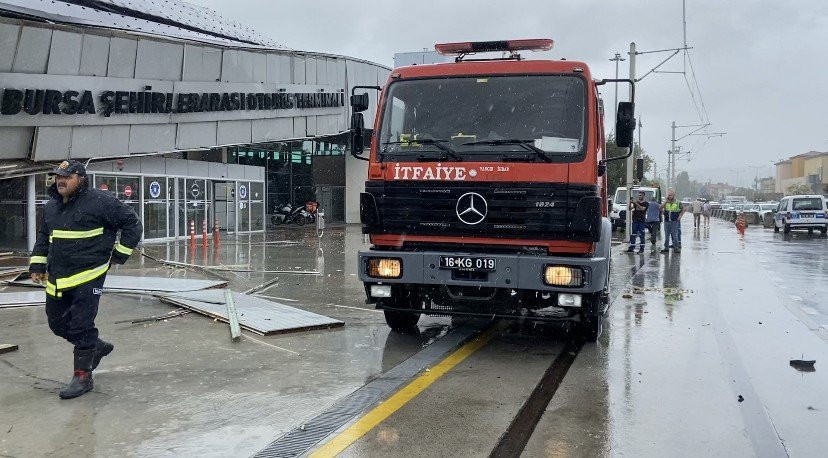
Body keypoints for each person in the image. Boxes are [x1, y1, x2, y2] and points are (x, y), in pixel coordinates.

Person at [29, 160, 142, 399]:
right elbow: (43, 236)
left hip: (89, 274)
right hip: (58, 277)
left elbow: (132, 223)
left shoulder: (102, 202)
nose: (60, 180)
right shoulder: (51, 207)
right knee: (57, 324)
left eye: (67, 176)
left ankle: (83, 376)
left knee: (80, 324)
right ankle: (96, 346)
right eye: (58, 176)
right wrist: (37, 264)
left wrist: (120, 254)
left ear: (80, 178)